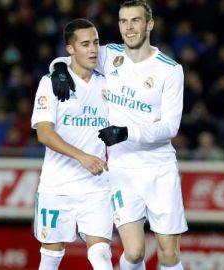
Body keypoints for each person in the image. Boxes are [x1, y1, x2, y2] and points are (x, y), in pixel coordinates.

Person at [50, 1, 188, 269]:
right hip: (122, 168)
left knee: (168, 253)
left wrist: (126, 132)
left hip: (160, 168)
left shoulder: (169, 70)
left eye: (135, 21)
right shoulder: (109, 55)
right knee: (135, 252)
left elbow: (170, 127)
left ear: (149, 25)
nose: (129, 27)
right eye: (123, 21)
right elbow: (73, 53)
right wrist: (58, 70)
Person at [31, 18, 113, 270]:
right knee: (50, 258)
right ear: (70, 49)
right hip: (57, 186)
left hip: (97, 185)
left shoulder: (108, 81)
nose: (93, 49)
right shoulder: (51, 82)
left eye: (96, 43)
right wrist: (82, 156)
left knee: (101, 255)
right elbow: (44, 133)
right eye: (85, 44)